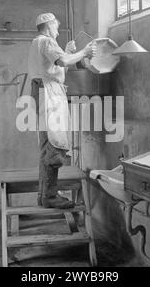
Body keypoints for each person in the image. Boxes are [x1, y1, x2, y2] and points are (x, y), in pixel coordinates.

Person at [28, 13, 96, 209]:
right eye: (56, 27)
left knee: (47, 146)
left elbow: (59, 69)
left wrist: (66, 51)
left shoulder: (38, 43)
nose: (57, 30)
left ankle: (44, 195)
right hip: (48, 93)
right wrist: (84, 52)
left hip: (42, 91)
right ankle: (50, 196)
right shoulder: (47, 41)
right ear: (48, 26)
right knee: (54, 145)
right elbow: (64, 63)